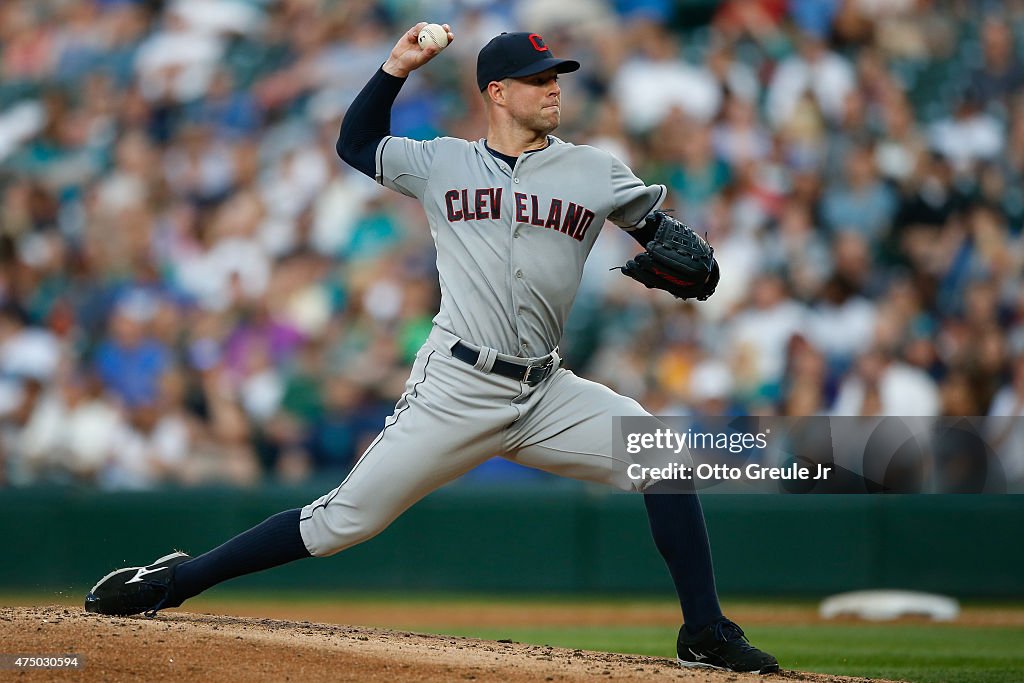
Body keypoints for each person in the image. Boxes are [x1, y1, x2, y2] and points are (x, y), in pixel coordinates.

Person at [84, 24, 778, 674]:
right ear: (498, 93)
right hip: (456, 385)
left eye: (557, 76)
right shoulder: (441, 161)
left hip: (544, 391)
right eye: (538, 79)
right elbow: (356, 144)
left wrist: (692, 262)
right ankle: (174, 580)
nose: (554, 87)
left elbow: (665, 237)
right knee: (339, 524)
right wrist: (396, 68)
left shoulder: (596, 171)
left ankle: (704, 632)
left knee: (659, 455)